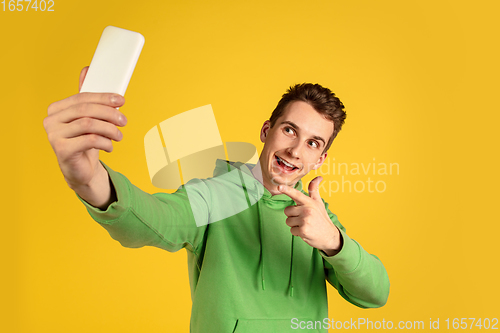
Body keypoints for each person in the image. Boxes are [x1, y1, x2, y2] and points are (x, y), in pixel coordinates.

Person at [43, 67, 390, 333]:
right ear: (267, 131)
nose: (295, 151)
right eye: (289, 130)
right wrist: (89, 178)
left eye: (313, 143)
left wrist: (333, 241)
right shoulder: (214, 195)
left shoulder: (318, 216)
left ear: (321, 160)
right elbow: (152, 218)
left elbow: (376, 293)